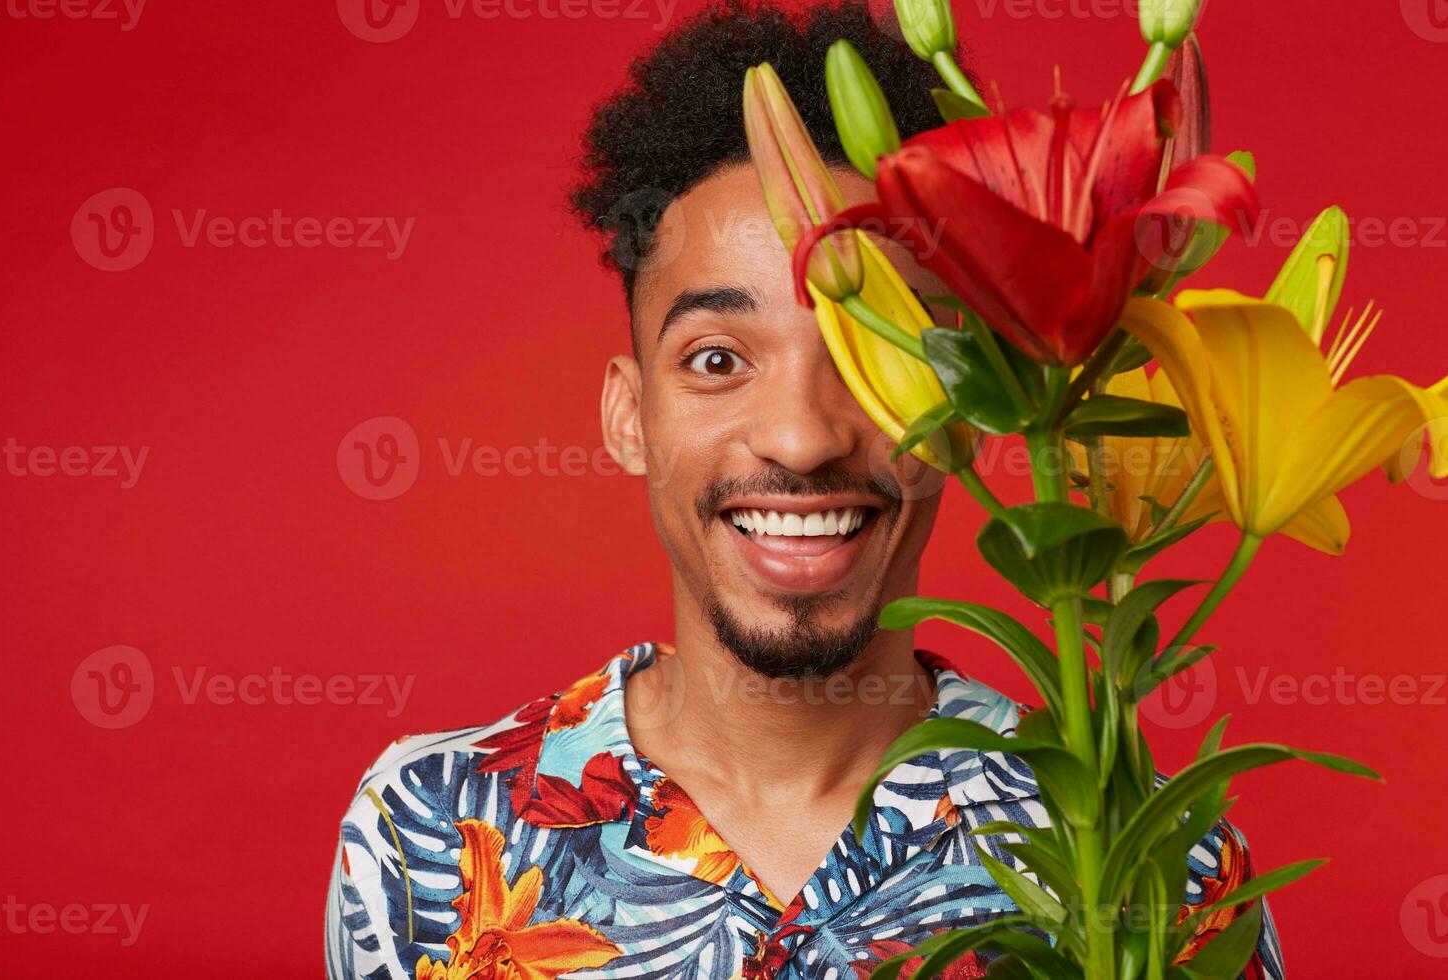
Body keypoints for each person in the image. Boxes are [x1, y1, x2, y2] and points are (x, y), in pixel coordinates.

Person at [326, 2, 1281, 976]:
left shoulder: (1155, 857)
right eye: (715, 357)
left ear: (973, 398)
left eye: (876, 351)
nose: (803, 434)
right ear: (627, 415)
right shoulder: (427, 833)